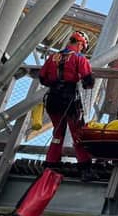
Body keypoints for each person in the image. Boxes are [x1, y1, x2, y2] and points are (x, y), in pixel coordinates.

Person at [39, 31, 97, 179]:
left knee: (57, 134)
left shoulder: (53, 57)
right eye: (83, 46)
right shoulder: (79, 58)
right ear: (80, 44)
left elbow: (42, 78)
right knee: (77, 133)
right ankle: (85, 169)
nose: (82, 49)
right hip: (69, 100)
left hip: (53, 99)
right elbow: (88, 82)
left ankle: (50, 166)